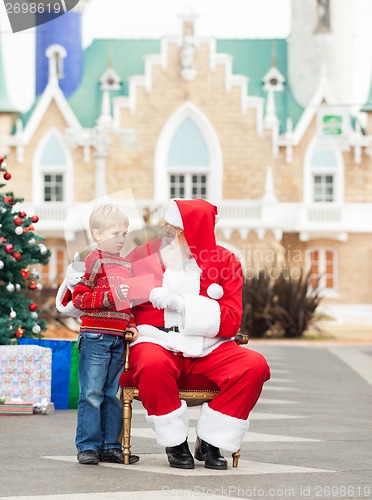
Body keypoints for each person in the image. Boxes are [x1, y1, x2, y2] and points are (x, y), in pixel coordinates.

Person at [124, 198, 271, 470]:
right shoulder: (146, 256)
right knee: (151, 364)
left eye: (172, 230)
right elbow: (122, 301)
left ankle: (211, 440)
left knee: (254, 366)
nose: (165, 235)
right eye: (165, 228)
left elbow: (230, 321)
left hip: (209, 346)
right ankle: (175, 441)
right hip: (159, 340)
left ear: (192, 232)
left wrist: (182, 305)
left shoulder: (225, 262)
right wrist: (129, 324)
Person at [69, 203, 140, 465]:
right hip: (95, 337)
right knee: (91, 393)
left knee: (112, 393)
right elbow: (79, 299)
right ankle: (88, 446)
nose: (121, 239)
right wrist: (111, 296)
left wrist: (131, 322)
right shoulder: (93, 260)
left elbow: (126, 303)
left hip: (118, 338)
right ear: (98, 234)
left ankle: (111, 445)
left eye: (124, 233)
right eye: (115, 234)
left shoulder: (126, 265)